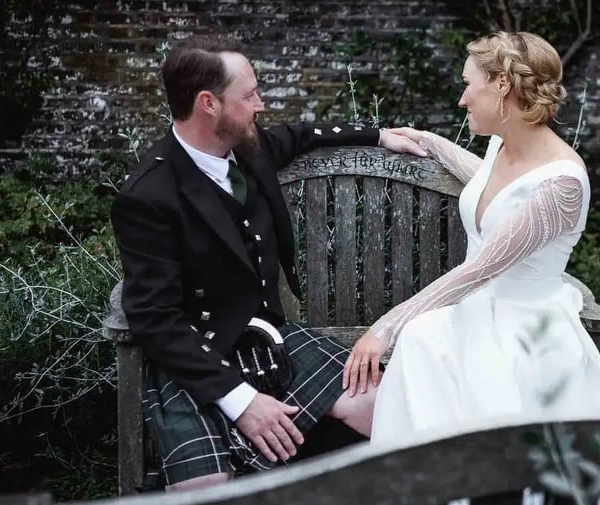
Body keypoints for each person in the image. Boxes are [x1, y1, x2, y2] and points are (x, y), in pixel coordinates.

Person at [110, 34, 425, 490]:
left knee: (390, 406)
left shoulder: (246, 149)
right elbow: (154, 318)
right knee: (206, 489)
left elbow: (302, 135)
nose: (260, 105)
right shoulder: (148, 195)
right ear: (208, 104)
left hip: (268, 337)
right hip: (195, 357)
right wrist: (241, 402)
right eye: (250, 94)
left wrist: (379, 135)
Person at [342, 31, 600, 444]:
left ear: (502, 85)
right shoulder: (503, 146)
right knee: (424, 342)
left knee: (418, 338)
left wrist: (386, 328)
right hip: (478, 310)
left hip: (523, 332)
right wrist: (429, 142)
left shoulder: (562, 183)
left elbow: (481, 269)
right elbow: (493, 193)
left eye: (468, 85)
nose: (462, 99)